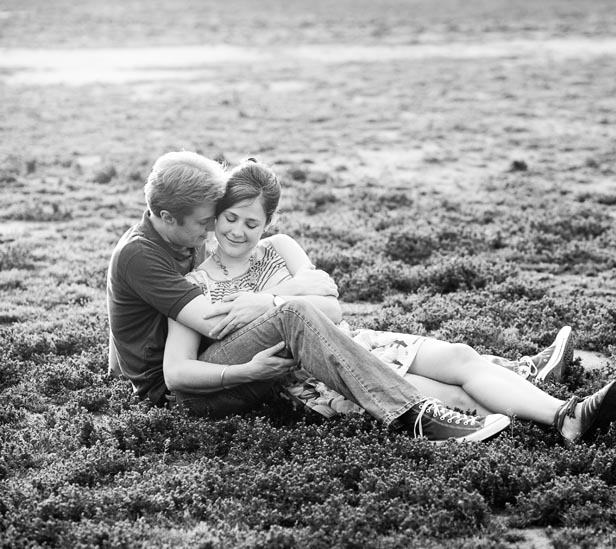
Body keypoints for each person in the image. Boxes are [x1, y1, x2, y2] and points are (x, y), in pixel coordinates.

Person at [162, 158, 616, 445]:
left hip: (347, 339)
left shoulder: (280, 249)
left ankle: (559, 408)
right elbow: (180, 369)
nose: (239, 231)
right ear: (213, 216)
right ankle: (555, 409)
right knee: (449, 396)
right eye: (230, 218)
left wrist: (264, 301)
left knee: (457, 357)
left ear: (267, 224)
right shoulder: (197, 282)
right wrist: (282, 307)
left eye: (252, 222)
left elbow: (329, 308)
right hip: (309, 376)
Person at [107, 150, 512, 444]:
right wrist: (285, 294)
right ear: (164, 217)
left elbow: (130, 308)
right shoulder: (140, 254)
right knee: (296, 313)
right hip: (184, 390)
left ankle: (508, 373)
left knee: (323, 328)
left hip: (208, 362)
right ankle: (414, 415)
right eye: (204, 221)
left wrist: (116, 363)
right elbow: (217, 320)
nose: (211, 228)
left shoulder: (180, 235)